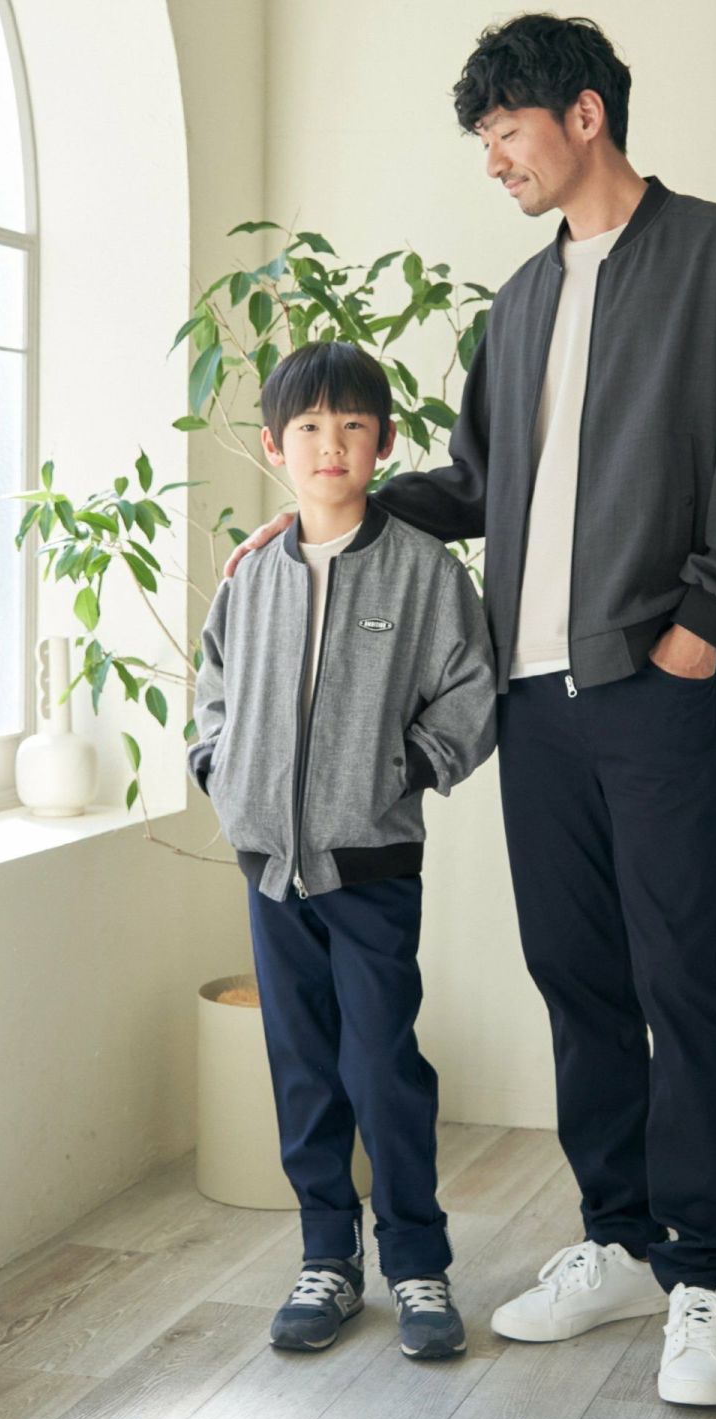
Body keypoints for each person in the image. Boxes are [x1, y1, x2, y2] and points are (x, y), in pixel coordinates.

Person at [225, 13, 716, 1407]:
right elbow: (480, 485)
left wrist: (708, 625)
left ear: (584, 114)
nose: (493, 160)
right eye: (483, 140)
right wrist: (330, 509)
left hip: (655, 681)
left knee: (684, 976)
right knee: (578, 976)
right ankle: (620, 1238)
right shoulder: (521, 302)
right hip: (532, 699)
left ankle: (704, 1277)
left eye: (506, 132)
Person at [190, 340, 496, 1360]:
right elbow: (214, 686)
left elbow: (471, 689)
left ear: (385, 443)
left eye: (353, 426)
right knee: (304, 1072)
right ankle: (327, 1257)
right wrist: (217, 767)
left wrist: (407, 768)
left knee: (381, 1068)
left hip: (370, 870)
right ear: (275, 447)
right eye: (311, 427)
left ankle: (418, 1266)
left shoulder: (423, 570)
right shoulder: (250, 575)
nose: (332, 445)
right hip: (270, 872)